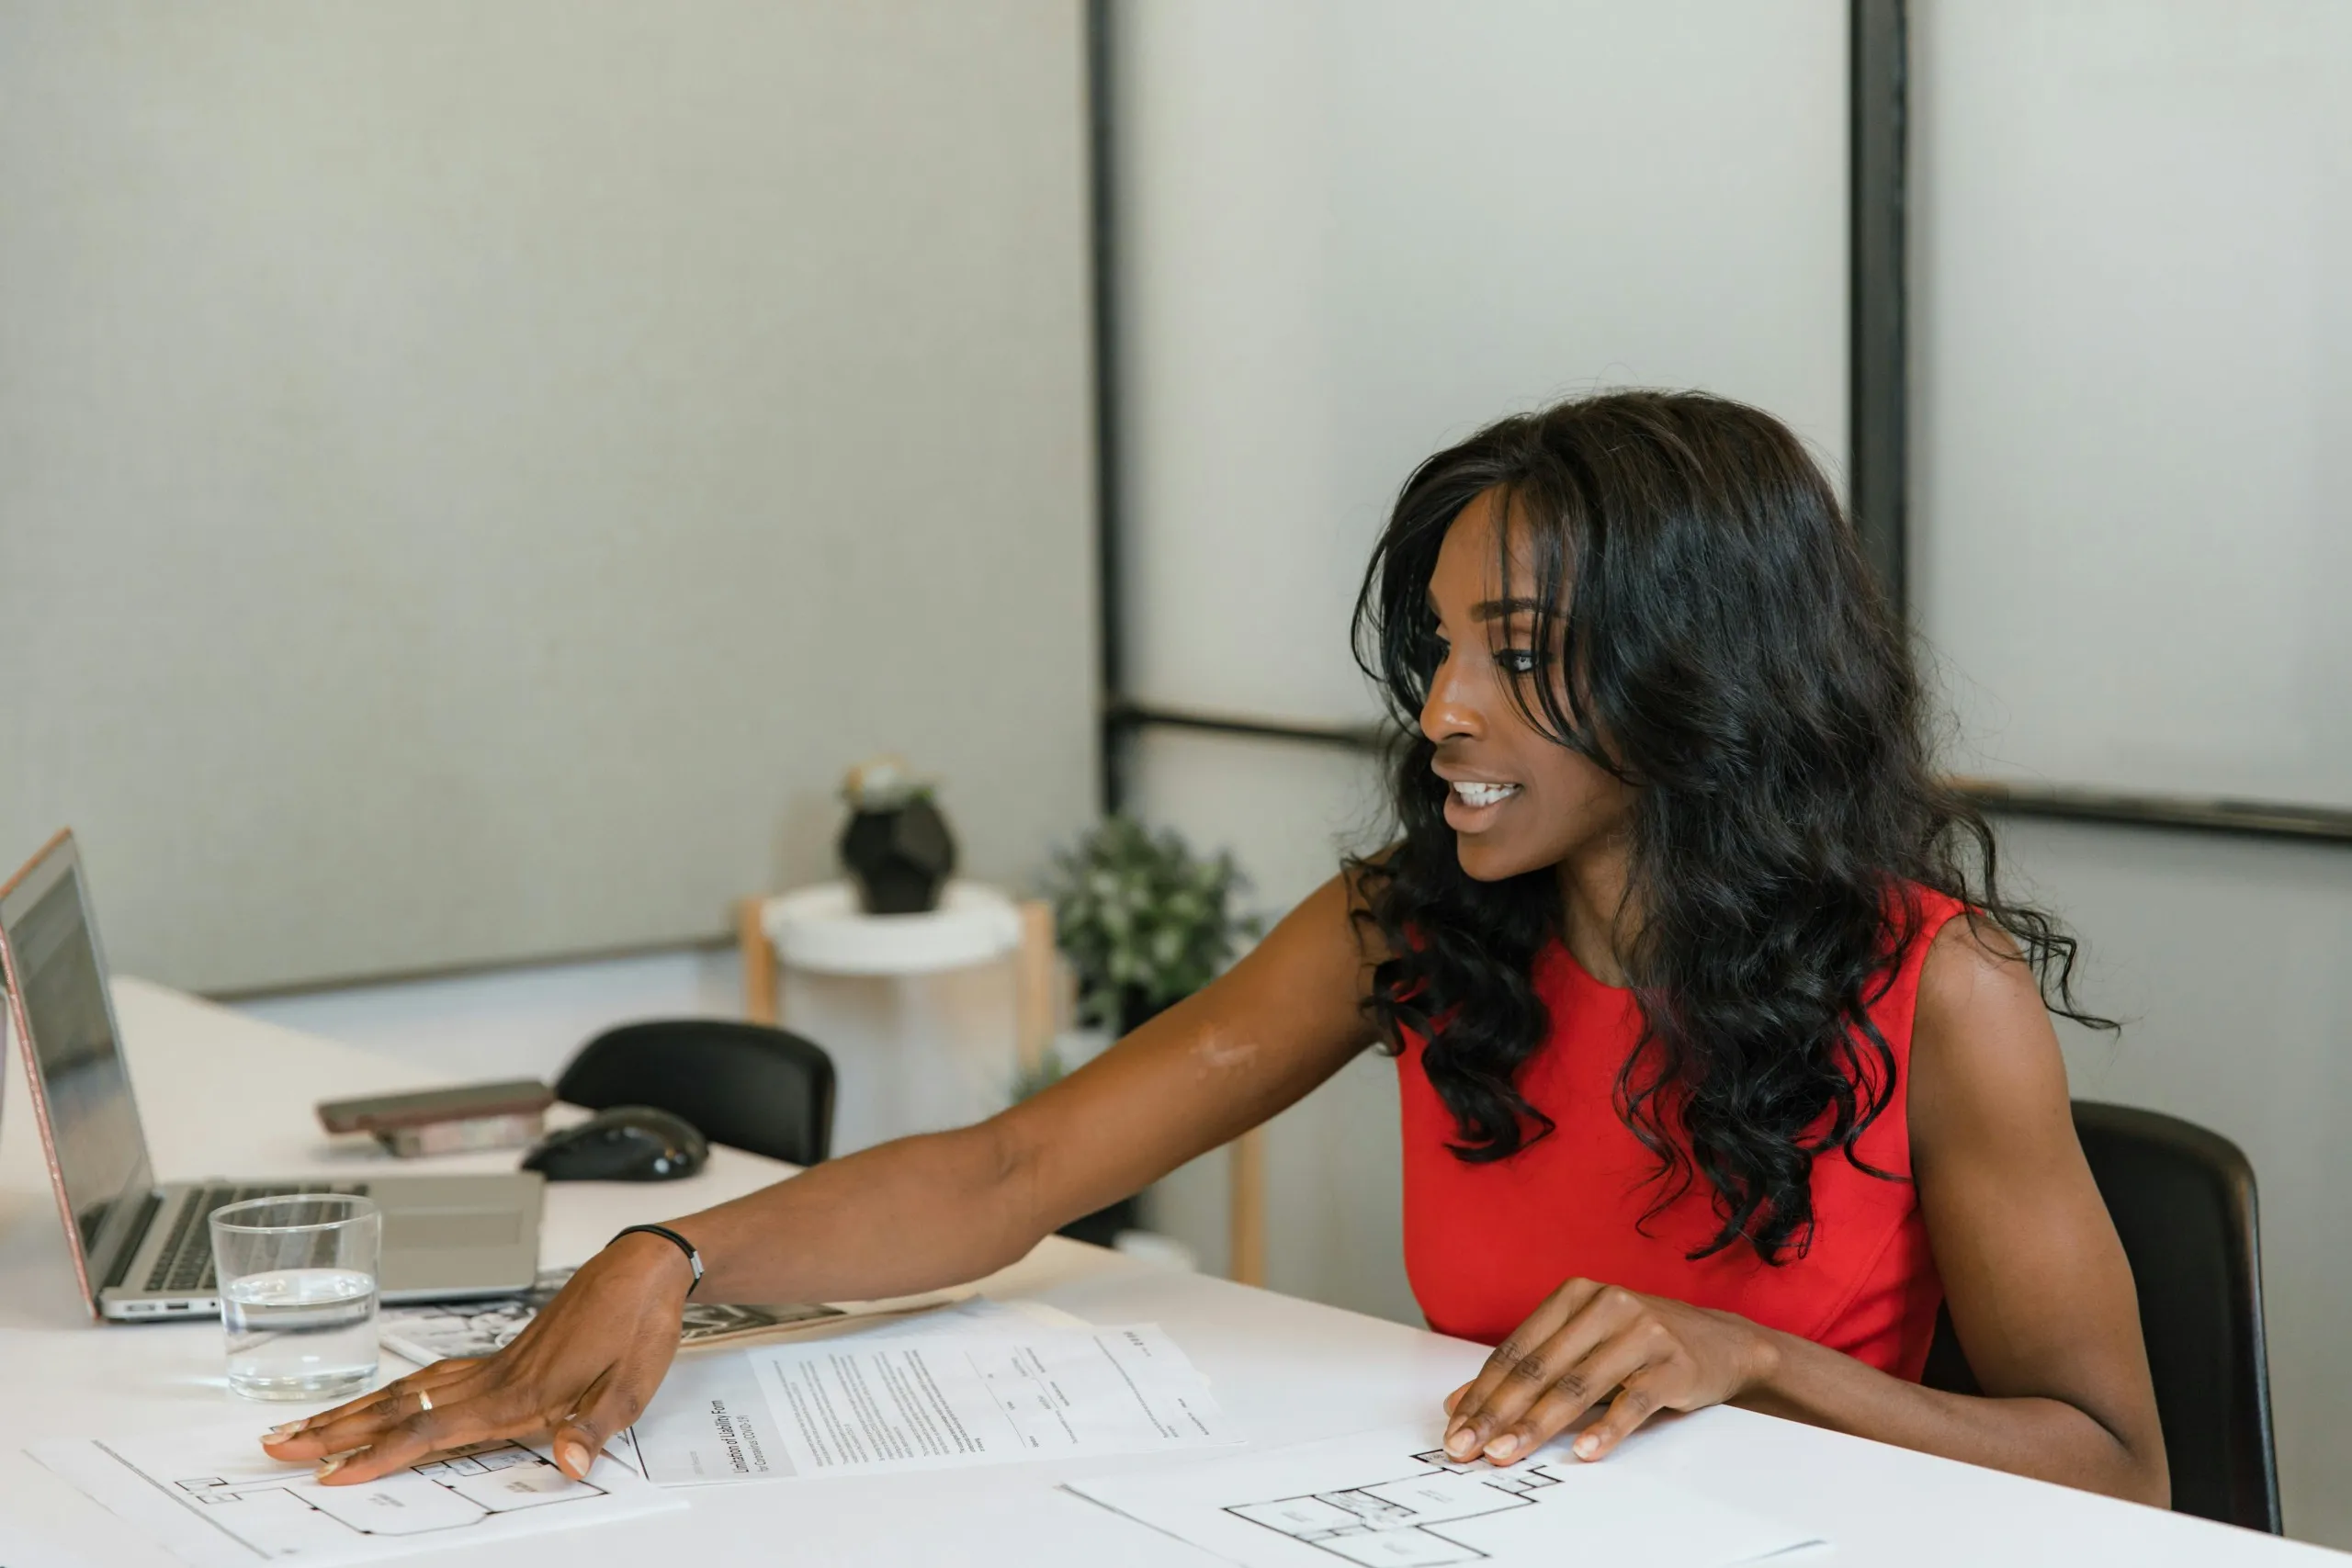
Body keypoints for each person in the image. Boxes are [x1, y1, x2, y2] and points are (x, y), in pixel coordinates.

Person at [265, 391, 2168, 1505]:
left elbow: (2115, 1465)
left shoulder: (1942, 993)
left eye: (1514, 652)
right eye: (1434, 645)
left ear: (1700, 675)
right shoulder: (1408, 937)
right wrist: (669, 1256)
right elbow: (1019, 1167)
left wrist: (1743, 1356)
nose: (1439, 707)